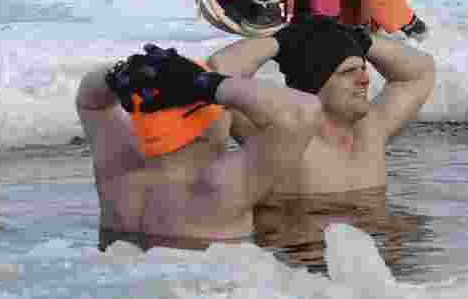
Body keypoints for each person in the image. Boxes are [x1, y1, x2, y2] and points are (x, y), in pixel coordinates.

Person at [77, 34, 323, 247]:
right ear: (206, 124)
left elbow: (90, 100)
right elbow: (304, 111)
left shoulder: (118, 175)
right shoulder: (218, 185)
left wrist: (119, 72)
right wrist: (207, 84)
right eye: (223, 106)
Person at [207, 16, 435, 195]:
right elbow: (216, 74)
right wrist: (278, 42)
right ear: (314, 87)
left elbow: (420, 70)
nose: (365, 79)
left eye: (362, 68)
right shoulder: (279, 138)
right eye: (348, 72)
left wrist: (361, 39)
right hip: (304, 248)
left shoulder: (371, 130)